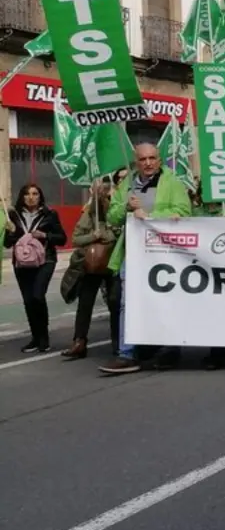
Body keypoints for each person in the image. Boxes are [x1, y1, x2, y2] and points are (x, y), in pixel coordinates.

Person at [99, 143, 193, 375]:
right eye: (143, 159)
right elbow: (112, 216)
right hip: (134, 252)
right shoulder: (127, 184)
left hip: (166, 254)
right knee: (127, 302)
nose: (148, 163)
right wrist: (126, 208)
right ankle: (126, 353)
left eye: (152, 158)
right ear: (136, 161)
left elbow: (184, 212)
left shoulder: (172, 182)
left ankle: (170, 348)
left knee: (166, 299)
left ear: (159, 160)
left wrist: (150, 216)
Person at [62, 178, 120, 360]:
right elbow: (76, 238)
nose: (101, 195)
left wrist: (107, 235)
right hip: (92, 264)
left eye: (104, 191)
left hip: (112, 262)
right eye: (97, 191)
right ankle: (79, 341)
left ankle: (119, 343)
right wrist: (92, 237)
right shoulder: (88, 214)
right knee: (85, 302)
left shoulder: (115, 210)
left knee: (114, 302)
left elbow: (122, 231)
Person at [5, 183, 67, 353]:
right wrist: (10, 232)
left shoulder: (50, 214)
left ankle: (44, 337)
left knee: (38, 296)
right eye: (27, 194)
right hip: (22, 262)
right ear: (22, 196)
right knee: (28, 300)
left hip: (45, 260)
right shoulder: (13, 215)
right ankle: (35, 337)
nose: (31, 197)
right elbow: (7, 243)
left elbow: (62, 238)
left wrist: (45, 235)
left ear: (40, 196)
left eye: (35, 194)